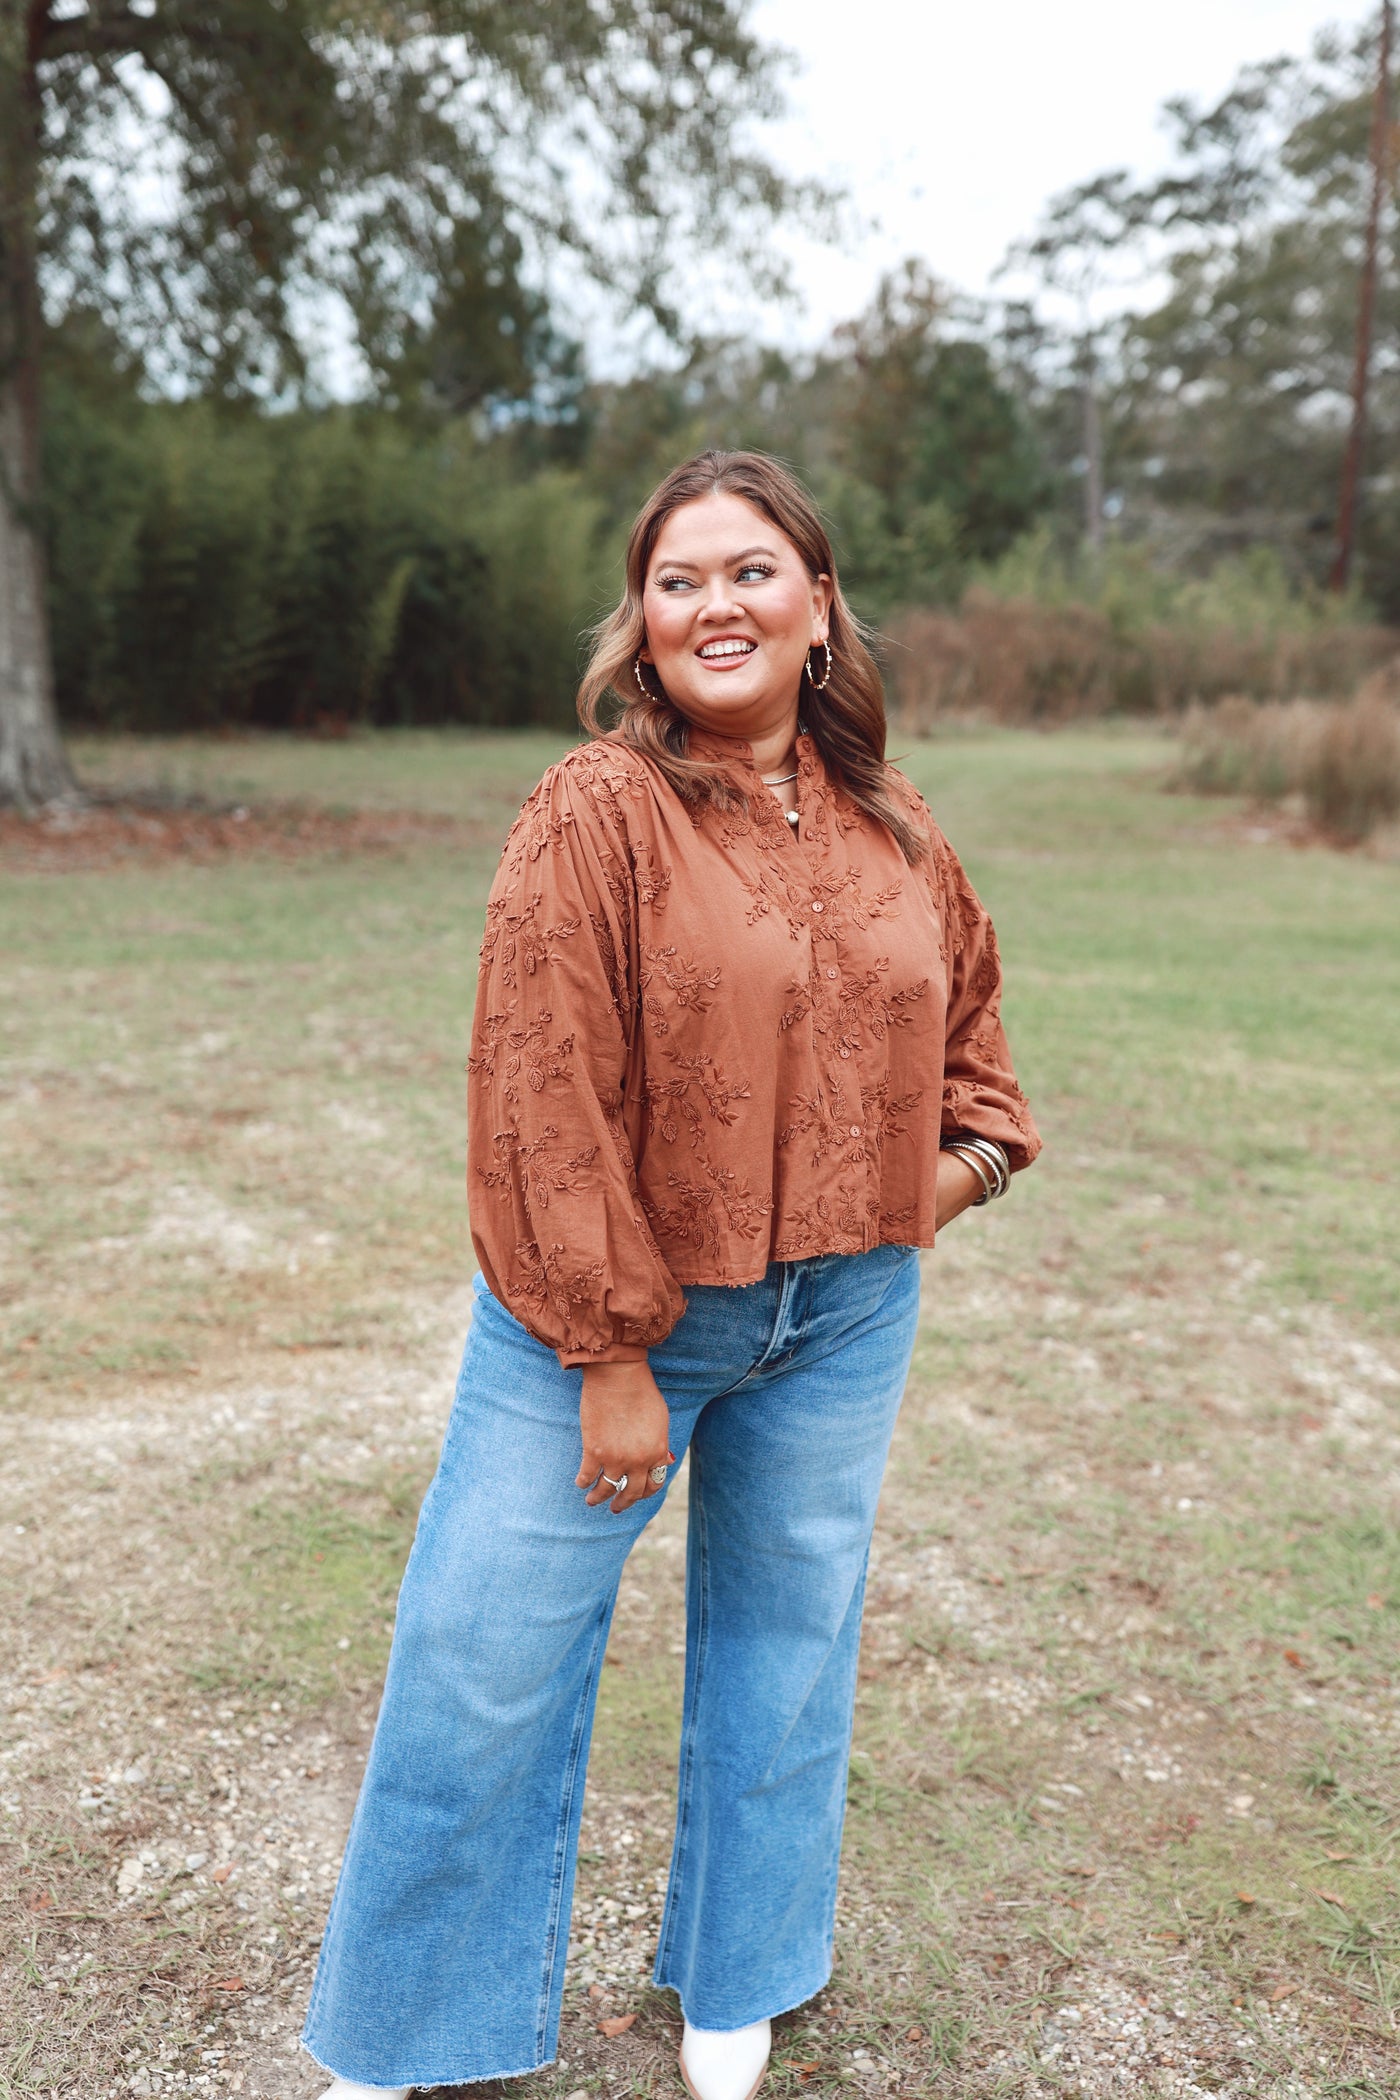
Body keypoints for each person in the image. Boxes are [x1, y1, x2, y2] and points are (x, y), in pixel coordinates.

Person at [300, 450, 1041, 2100]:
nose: (718, 602)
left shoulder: (894, 821)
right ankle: (404, 2033)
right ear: (641, 627)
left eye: (753, 570)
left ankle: (742, 1978)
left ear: (821, 606)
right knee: (482, 1664)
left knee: (789, 1656)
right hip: (616, 1322)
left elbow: (978, 1053)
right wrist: (611, 1350)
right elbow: (540, 1091)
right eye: (681, 579)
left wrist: (934, 1185)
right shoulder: (596, 808)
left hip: (846, 1315)